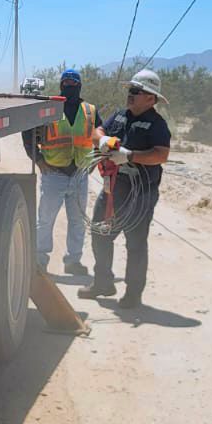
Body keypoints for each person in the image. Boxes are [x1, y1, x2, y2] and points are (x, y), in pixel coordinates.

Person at [82, 68, 172, 309]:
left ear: (150, 98)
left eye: (136, 91)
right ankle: (103, 283)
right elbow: (97, 131)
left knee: (135, 242)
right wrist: (101, 139)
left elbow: (161, 154)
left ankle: (133, 294)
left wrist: (130, 156)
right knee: (100, 233)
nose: (130, 95)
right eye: (130, 90)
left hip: (140, 193)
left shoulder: (156, 124)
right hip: (113, 189)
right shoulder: (120, 115)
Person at [22, 69, 99, 275]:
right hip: (53, 175)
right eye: (66, 83)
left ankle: (73, 261)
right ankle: (40, 260)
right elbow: (27, 133)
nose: (70, 86)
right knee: (45, 220)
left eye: (73, 83)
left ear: (80, 86)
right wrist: (37, 160)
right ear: (60, 86)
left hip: (80, 177)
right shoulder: (49, 109)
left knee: (77, 221)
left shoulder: (90, 111)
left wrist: (95, 161)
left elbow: (102, 136)